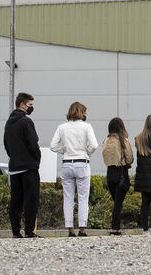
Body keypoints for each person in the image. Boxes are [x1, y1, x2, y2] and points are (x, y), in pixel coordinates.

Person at [50, 101, 98, 237]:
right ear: (81, 113)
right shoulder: (87, 127)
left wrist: (64, 149)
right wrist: (86, 152)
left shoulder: (62, 127)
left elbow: (53, 146)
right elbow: (94, 145)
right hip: (82, 163)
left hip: (66, 163)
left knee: (68, 197)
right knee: (83, 197)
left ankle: (70, 229)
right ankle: (82, 228)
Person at [3, 92, 41, 238]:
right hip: (28, 167)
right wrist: (36, 160)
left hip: (14, 167)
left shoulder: (8, 123)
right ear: (22, 104)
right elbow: (33, 144)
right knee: (31, 199)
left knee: (16, 200)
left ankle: (15, 231)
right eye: (30, 104)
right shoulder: (26, 122)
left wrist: (14, 156)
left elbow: (6, 144)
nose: (32, 107)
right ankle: (30, 231)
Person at [101, 117, 134, 236]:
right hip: (121, 173)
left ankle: (116, 227)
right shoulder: (123, 141)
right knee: (118, 203)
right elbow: (130, 158)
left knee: (116, 202)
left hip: (110, 173)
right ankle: (115, 228)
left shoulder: (106, 140)